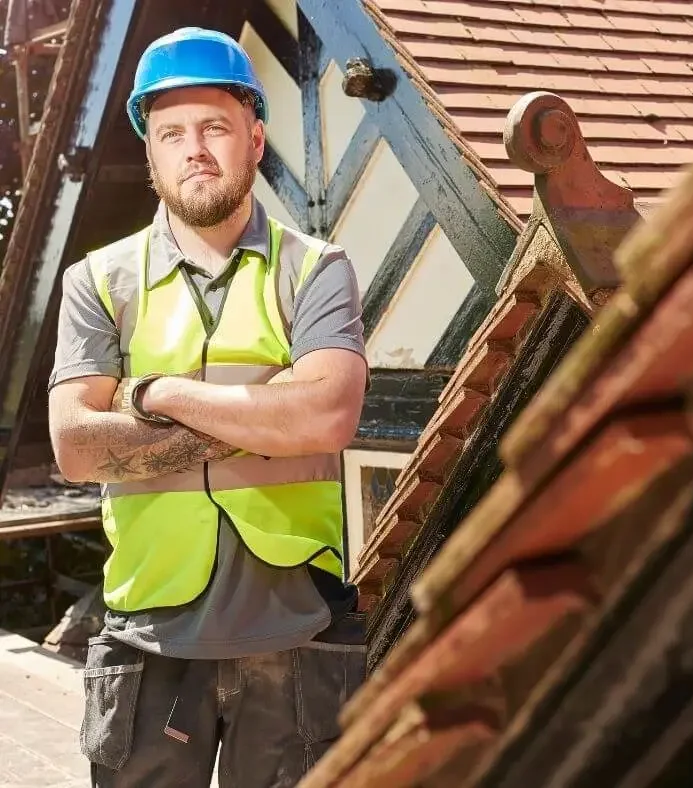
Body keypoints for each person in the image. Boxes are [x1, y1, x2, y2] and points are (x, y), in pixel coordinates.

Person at [47, 27, 369, 787]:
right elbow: (75, 448)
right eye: (172, 133)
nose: (196, 148)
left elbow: (326, 418)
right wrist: (268, 412)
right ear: (151, 154)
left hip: (296, 627)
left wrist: (152, 394)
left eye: (216, 127)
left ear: (255, 139)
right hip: (148, 633)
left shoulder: (317, 269)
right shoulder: (98, 281)